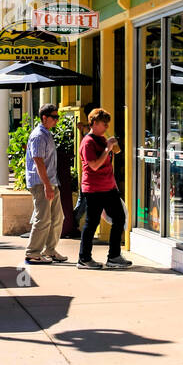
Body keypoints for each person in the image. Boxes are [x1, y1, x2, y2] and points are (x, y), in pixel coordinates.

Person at [77, 108, 131, 270]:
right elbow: (93, 165)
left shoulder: (102, 139)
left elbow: (114, 155)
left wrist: (113, 146)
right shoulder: (88, 142)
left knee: (119, 218)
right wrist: (107, 148)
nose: (107, 126)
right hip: (94, 189)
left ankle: (114, 256)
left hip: (108, 187)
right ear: (94, 123)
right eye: (103, 123)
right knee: (92, 223)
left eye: (108, 123)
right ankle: (84, 258)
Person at [23, 104, 67, 266]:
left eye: (57, 117)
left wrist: (51, 184)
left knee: (58, 218)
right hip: (42, 183)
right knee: (43, 219)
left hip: (50, 182)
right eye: (54, 117)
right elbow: (38, 161)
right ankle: (32, 253)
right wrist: (47, 185)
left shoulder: (46, 134)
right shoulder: (38, 136)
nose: (56, 120)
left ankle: (50, 250)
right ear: (44, 118)